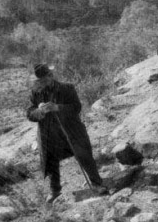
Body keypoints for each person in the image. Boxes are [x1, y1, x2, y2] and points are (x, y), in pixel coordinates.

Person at [26, 64, 107, 203]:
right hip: (49, 133)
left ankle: (97, 184)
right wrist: (40, 111)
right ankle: (55, 191)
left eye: (42, 81)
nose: (40, 84)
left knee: (84, 155)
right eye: (37, 82)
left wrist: (57, 107)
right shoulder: (35, 93)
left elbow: (76, 107)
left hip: (71, 130)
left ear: (50, 76)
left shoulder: (67, 88)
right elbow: (29, 114)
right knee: (50, 160)